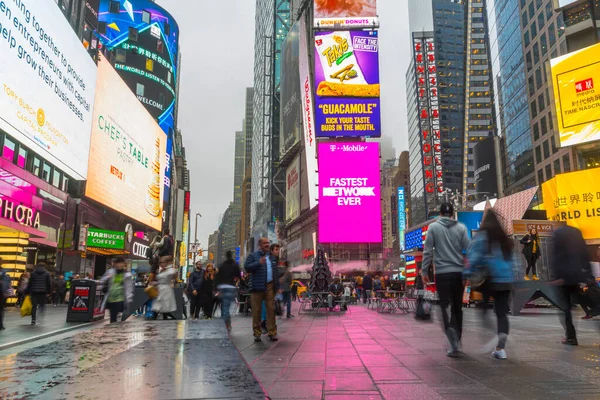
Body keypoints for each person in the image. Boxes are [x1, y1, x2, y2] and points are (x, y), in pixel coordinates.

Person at [421, 203, 470, 357]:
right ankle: (457, 339)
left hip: (442, 273)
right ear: (452, 213)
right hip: (458, 273)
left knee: (444, 306)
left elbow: (428, 251)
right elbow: (468, 249)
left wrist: (424, 270)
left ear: (440, 214)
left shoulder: (434, 228)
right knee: (457, 307)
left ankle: (452, 338)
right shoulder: (461, 227)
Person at [466, 210, 515, 360]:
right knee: (502, 314)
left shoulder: (482, 237)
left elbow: (474, 257)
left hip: (490, 278)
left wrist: (466, 273)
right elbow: (513, 261)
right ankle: (501, 347)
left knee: (482, 309)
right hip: (506, 281)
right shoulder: (505, 239)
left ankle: (490, 335)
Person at [550, 225, 596, 346]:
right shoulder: (576, 232)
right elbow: (585, 254)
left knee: (565, 309)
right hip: (578, 276)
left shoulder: (558, 233)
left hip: (564, 278)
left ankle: (571, 337)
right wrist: (588, 275)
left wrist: (556, 276)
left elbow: (556, 257)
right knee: (590, 304)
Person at [245, 237, 279, 342]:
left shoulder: (272, 257)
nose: (267, 245)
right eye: (265, 243)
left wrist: (276, 286)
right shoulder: (253, 256)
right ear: (260, 245)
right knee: (257, 311)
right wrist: (258, 263)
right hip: (257, 287)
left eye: (268, 243)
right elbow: (247, 267)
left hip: (269, 286)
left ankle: (272, 333)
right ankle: (257, 333)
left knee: (271, 310)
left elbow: (275, 272)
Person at [100, 257, 134, 323]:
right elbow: (102, 281)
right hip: (110, 298)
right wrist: (108, 277)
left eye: (121, 263)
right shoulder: (110, 272)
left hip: (120, 298)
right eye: (118, 263)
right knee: (113, 317)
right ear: (115, 264)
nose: (119, 265)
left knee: (116, 314)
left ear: (124, 264)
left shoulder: (127, 275)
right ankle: (114, 328)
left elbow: (129, 287)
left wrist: (129, 298)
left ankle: (115, 328)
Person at [216, 251, 242, 332]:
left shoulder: (222, 265)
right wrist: (242, 285)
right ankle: (227, 324)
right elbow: (239, 275)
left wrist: (216, 288)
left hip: (223, 287)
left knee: (225, 306)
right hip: (231, 287)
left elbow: (218, 277)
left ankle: (224, 324)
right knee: (227, 306)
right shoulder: (235, 265)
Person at [0, 258, 11, 330]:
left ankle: (0, 324)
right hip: (1, 293)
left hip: (1, 293)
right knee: (1, 309)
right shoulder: (3, 271)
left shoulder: (3, 271)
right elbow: (6, 283)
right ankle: (0, 325)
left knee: (1, 309)